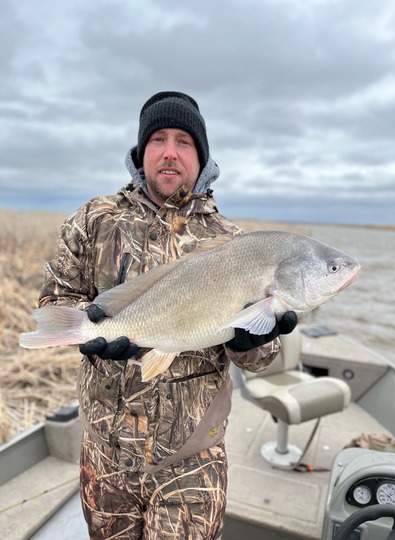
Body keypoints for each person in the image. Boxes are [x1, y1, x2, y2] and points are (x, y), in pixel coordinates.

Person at [39, 91, 297, 540]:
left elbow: (261, 360)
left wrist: (252, 342)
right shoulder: (93, 219)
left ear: (202, 155)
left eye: (184, 141)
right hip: (105, 453)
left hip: (192, 462)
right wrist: (89, 328)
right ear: (142, 152)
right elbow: (55, 301)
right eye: (158, 139)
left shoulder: (235, 242)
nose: (170, 152)